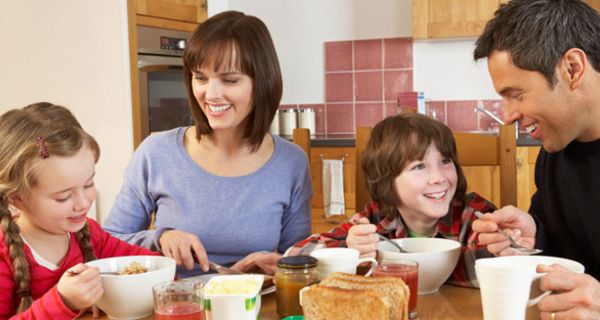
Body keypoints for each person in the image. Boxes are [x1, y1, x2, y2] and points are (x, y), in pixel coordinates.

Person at [103, 10, 312, 278]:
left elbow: (297, 265)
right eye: (200, 78)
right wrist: (160, 238)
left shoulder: (290, 162)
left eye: (229, 80)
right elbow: (107, 244)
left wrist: (266, 267)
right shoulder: (156, 153)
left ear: (262, 82)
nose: (210, 94)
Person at [472, 0, 600, 318]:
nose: (507, 115)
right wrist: (531, 238)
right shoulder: (554, 155)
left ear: (572, 68)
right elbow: (564, 254)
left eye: (516, 94)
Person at [288, 113, 496, 287]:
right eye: (419, 166)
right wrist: (349, 251)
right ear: (387, 181)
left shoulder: (474, 214)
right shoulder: (374, 220)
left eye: (445, 161)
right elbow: (295, 254)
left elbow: (497, 266)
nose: (439, 178)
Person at [0, 102, 158, 319]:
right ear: (16, 198)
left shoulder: (90, 234)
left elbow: (152, 266)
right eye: (63, 197)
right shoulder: (4, 255)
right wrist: (63, 301)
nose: (83, 203)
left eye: (88, 185)